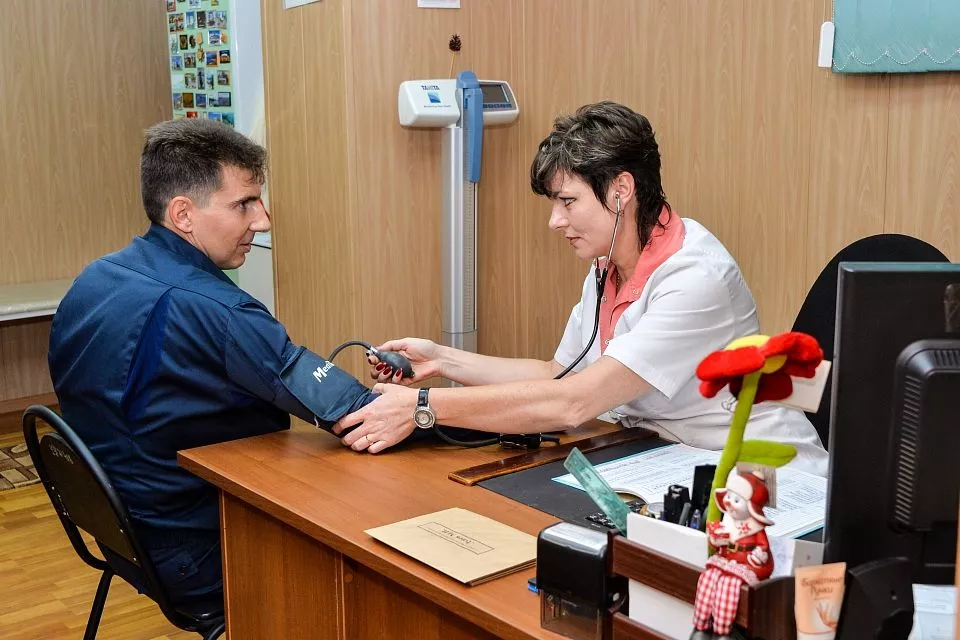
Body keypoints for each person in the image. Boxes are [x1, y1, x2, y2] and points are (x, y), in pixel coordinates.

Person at [334, 101, 828, 476]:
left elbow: (573, 403)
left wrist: (423, 408)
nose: (555, 221)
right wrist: (442, 360)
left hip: (764, 480)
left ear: (621, 190)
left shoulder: (694, 279)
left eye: (567, 202)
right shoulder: (609, 264)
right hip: (670, 460)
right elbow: (558, 374)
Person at [48, 119, 381, 607]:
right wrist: (440, 411)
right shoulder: (222, 311)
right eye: (244, 203)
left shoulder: (94, 279)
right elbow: (354, 411)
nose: (263, 221)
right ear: (183, 214)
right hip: (195, 555)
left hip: (121, 536)